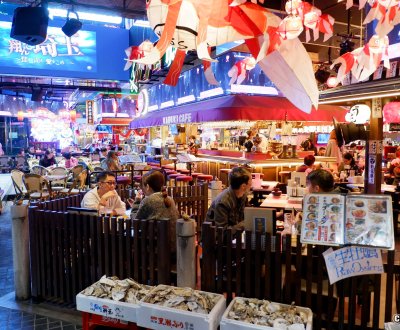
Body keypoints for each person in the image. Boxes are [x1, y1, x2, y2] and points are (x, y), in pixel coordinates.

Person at [132, 170, 179, 247]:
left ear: (147, 186)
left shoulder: (148, 200)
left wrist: (137, 202)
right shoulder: (169, 199)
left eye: (143, 186)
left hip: (157, 248)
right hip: (174, 245)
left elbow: (135, 223)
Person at [205, 167, 252, 231]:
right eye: (251, 181)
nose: (251, 184)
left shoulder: (243, 196)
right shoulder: (223, 202)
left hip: (234, 237)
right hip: (215, 239)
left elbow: (248, 215)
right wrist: (246, 223)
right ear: (243, 186)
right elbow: (222, 233)